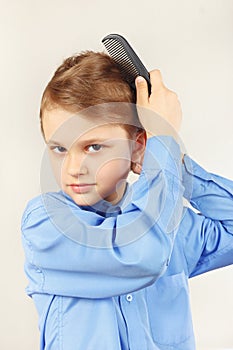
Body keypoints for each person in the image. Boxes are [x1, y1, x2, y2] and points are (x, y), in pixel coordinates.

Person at [21, 51, 233, 350]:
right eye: (58, 148)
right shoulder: (47, 224)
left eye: (93, 147)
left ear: (137, 148)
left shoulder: (172, 223)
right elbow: (140, 255)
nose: (72, 168)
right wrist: (162, 152)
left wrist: (172, 157)